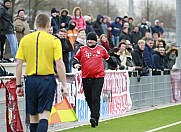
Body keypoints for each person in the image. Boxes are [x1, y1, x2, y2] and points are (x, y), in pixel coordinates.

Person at [15, 13, 68, 132]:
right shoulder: (54, 40)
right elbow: (59, 63)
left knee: (33, 117)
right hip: (47, 80)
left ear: (35, 24)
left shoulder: (25, 39)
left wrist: (18, 85)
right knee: (44, 115)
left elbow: (18, 63)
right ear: (49, 24)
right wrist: (64, 85)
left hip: (31, 80)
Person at [72, 32, 117, 128]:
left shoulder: (101, 49)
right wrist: (76, 65)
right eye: (88, 39)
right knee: (88, 98)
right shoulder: (82, 49)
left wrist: (115, 65)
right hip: (86, 77)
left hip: (98, 77)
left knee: (95, 97)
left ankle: (94, 117)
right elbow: (74, 59)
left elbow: (108, 59)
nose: (89, 41)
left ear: (95, 41)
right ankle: (95, 113)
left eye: (91, 39)